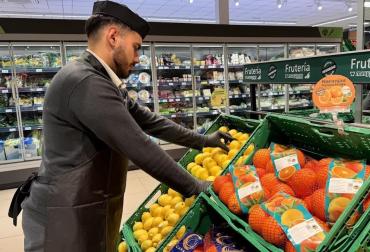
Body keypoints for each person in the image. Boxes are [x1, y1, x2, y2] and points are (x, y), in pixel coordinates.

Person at [10, 1, 233, 251]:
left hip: (86, 208)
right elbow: (138, 145)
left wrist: (203, 140)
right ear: (114, 37)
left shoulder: (103, 80)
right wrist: (197, 186)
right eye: (136, 48)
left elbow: (150, 121)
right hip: (64, 218)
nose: (138, 58)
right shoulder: (85, 81)